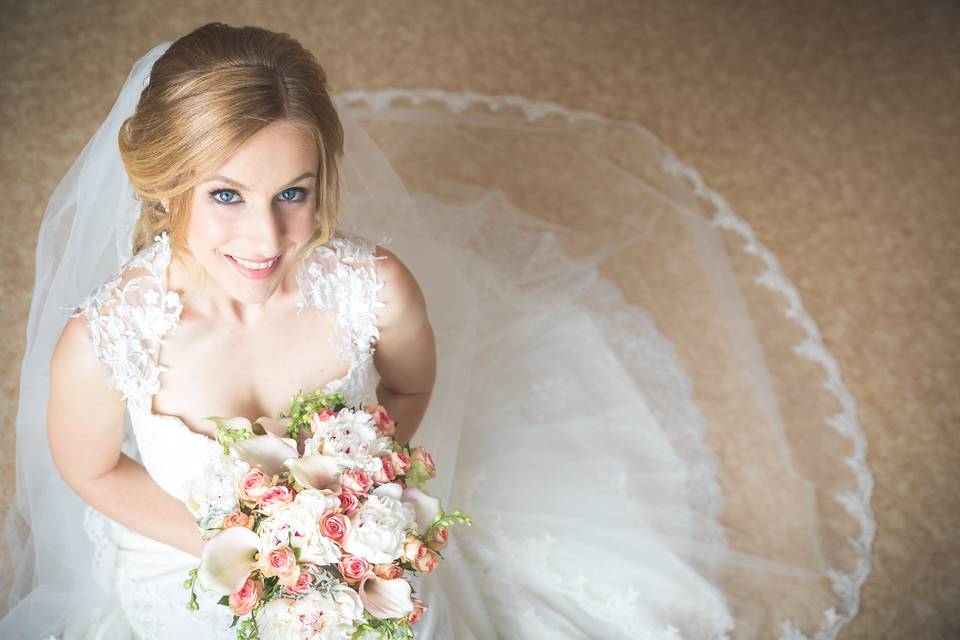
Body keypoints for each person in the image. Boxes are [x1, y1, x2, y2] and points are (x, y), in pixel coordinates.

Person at [0, 22, 875, 640]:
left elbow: (410, 387)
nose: (265, 239)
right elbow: (90, 467)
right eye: (225, 196)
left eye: (293, 193)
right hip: (188, 577)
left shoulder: (372, 289)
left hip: (358, 558)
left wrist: (356, 498)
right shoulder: (109, 340)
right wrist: (244, 544)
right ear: (163, 186)